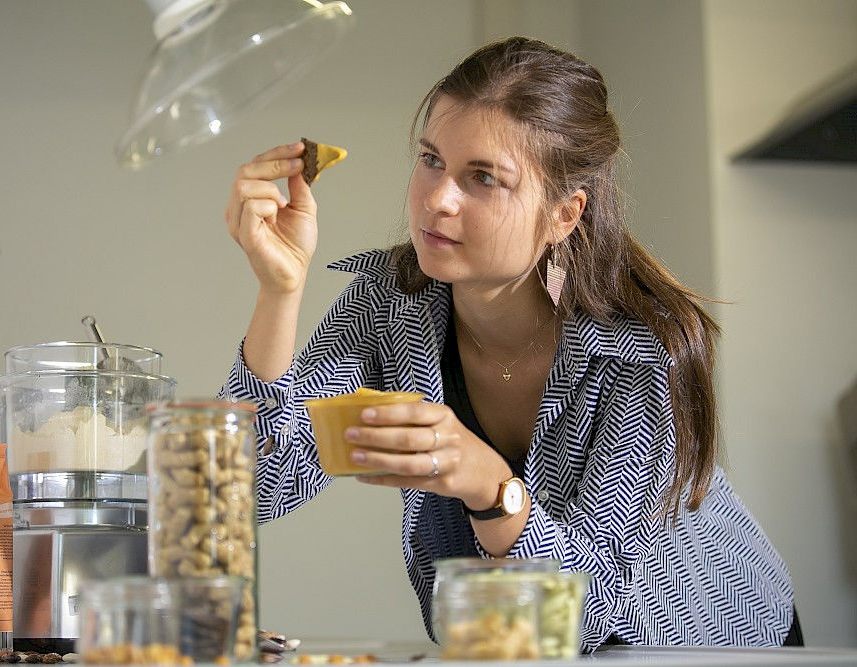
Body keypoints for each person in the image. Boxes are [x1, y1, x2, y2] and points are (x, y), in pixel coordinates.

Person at [219, 36, 799, 650]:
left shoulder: (639, 347)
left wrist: (490, 485)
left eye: (484, 178)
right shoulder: (391, 300)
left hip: (704, 642)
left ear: (563, 215)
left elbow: (596, 601)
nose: (438, 199)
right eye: (432, 160)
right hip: (513, 645)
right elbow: (252, 487)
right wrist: (280, 290)